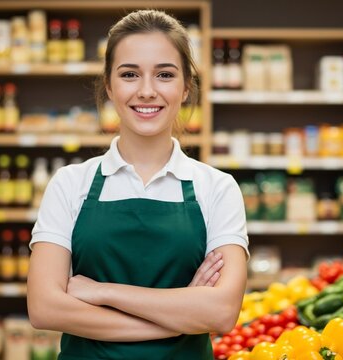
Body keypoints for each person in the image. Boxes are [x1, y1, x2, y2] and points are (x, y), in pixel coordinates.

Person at [27, 9, 249, 359]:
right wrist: (182, 313)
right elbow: (44, 308)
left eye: (164, 74)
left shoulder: (217, 188)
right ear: (110, 86)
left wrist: (103, 292)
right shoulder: (71, 183)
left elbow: (221, 312)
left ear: (186, 86)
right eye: (130, 74)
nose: (147, 91)